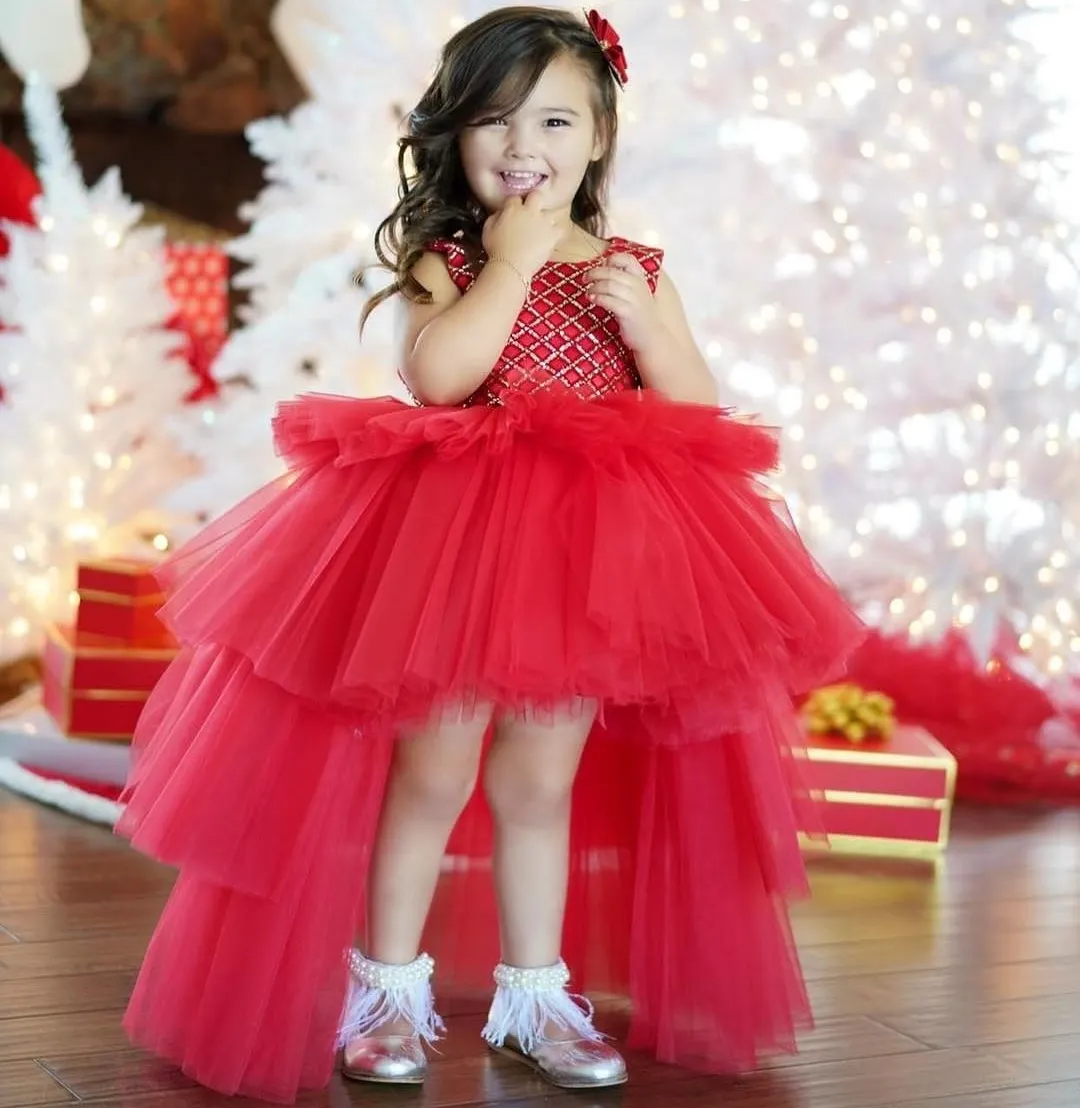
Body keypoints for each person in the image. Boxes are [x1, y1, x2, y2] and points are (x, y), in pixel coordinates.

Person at [116, 6, 864, 1104]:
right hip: (454, 559)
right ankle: (387, 989)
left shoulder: (635, 269)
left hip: (584, 570)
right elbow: (443, 377)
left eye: (557, 121)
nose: (526, 148)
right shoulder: (449, 257)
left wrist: (651, 333)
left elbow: (699, 416)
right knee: (433, 771)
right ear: (457, 137)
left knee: (537, 782)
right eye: (497, 123)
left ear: (600, 135)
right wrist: (505, 269)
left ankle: (533, 993)